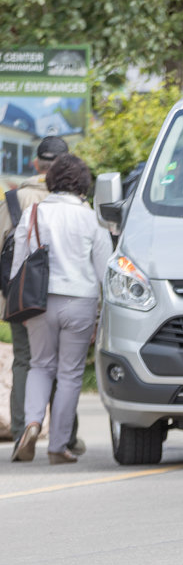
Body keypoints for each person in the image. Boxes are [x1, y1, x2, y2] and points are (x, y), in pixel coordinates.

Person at [10, 154, 113, 464]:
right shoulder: (89, 217)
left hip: (40, 302)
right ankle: (58, 446)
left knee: (40, 365)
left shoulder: (33, 213)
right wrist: (101, 313)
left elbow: (18, 265)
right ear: (82, 183)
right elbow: (104, 271)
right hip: (79, 302)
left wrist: (21, 308)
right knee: (69, 375)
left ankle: (31, 423)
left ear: (51, 180)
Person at [0, 136, 84, 455]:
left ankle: (23, 430)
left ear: (35, 164)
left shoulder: (11, 200)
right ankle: (67, 437)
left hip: (21, 298)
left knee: (26, 361)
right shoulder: (76, 202)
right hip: (66, 295)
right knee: (64, 364)